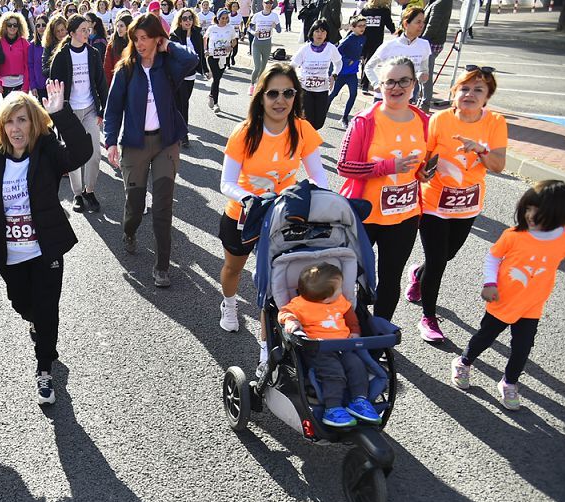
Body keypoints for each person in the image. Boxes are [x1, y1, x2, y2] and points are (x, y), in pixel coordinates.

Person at [0, 82, 92, 403]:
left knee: (47, 308)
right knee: (23, 305)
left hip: (46, 250)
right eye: (9, 121)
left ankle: (45, 369)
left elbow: (81, 153)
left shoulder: (47, 150)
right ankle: (37, 324)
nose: (15, 128)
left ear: (33, 122)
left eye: (22, 120)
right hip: (10, 255)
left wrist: (60, 113)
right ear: (2, 126)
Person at [217, 63, 327, 340]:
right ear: (261, 96)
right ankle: (229, 305)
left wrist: (307, 196)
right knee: (233, 268)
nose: (281, 101)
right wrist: (249, 198)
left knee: (276, 282)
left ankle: (269, 345)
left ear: (296, 96)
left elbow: (319, 176)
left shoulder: (302, 130)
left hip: (282, 216)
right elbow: (226, 182)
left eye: (288, 93)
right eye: (273, 94)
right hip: (243, 216)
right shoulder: (244, 132)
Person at [408, 66, 507, 342]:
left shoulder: (495, 122)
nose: (470, 94)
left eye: (478, 90)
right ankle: (428, 317)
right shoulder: (439, 119)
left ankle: (418, 273)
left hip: (468, 204)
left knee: (446, 256)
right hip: (433, 200)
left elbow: (499, 165)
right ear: (454, 93)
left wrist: (480, 149)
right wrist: (421, 171)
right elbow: (424, 156)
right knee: (438, 261)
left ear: (487, 97)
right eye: (464, 88)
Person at [451, 180, 565, 411]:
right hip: (502, 299)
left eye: (539, 211)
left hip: (532, 305)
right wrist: (489, 283)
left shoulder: (564, 237)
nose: (530, 215)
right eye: (528, 208)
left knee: (522, 348)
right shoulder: (514, 235)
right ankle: (464, 362)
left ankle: (509, 382)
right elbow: (493, 257)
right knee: (485, 337)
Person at [103, 13, 198, 288]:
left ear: (158, 38)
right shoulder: (126, 69)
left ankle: (162, 265)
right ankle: (129, 232)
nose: (140, 43)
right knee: (135, 205)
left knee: (163, 206)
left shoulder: (168, 64)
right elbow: (113, 110)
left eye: (145, 38)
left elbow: (192, 60)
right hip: (134, 144)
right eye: (136, 38)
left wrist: (168, 45)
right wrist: (110, 142)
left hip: (166, 143)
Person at [338, 56, 428, 322]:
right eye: (390, 81)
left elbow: (421, 163)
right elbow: (344, 166)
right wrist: (386, 167)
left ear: (413, 84)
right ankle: (353, 329)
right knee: (353, 278)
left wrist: (423, 171)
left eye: (403, 81)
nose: (396, 87)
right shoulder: (365, 121)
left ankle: (381, 334)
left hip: (405, 215)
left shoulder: (423, 120)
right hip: (365, 214)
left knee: (391, 278)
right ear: (380, 85)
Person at [278, 263, 381, 426]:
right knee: (334, 373)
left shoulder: (339, 300)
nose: (342, 292)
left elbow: (350, 315)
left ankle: (359, 401)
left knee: (357, 367)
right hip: (319, 349)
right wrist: (291, 321)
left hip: (344, 346)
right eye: (339, 289)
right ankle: (332, 408)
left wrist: (354, 331)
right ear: (326, 298)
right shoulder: (300, 304)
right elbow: (284, 312)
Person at [48, 14, 107, 212]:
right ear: (72, 32)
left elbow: (101, 82)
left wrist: (102, 109)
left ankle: (90, 191)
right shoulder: (61, 56)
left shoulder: (93, 54)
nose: (87, 32)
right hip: (70, 113)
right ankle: (78, 194)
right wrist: (59, 115)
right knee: (73, 154)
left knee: (95, 154)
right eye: (82, 29)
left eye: (88, 29)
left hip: (90, 109)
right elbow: (54, 89)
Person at [364, 6, 430, 102]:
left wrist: (422, 75)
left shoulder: (424, 45)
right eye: (418, 22)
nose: (422, 25)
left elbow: (423, 71)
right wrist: (376, 84)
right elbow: (369, 67)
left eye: (423, 22)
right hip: (384, 98)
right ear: (406, 24)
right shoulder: (389, 46)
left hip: (407, 98)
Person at [291, 18, 341, 130]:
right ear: (312, 32)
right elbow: (292, 66)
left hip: (322, 90)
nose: (320, 34)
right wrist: (295, 81)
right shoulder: (305, 49)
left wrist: (334, 75)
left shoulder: (331, 48)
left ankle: (309, 138)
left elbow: (338, 63)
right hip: (306, 90)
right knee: (307, 121)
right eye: (317, 31)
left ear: (327, 34)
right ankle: (307, 142)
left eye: (323, 31)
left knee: (319, 122)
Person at [169, 7, 206, 148]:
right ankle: (183, 135)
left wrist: (205, 69)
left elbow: (201, 54)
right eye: (184, 18)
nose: (188, 21)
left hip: (191, 76)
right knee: (181, 104)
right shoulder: (175, 35)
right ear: (180, 21)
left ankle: (178, 130)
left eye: (190, 18)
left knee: (182, 103)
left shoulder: (197, 34)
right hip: (178, 76)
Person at [327, 14, 366, 127]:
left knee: (353, 94)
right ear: (353, 27)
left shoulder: (363, 38)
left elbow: (358, 50)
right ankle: (322, 111)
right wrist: (347, 60)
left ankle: (344, 118)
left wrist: (360, 57)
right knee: (333, 94)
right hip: (342, 73)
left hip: (352, 74)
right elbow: (337, 51)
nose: (362, 28)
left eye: (364, 25)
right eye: (359, 26)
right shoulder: (349, 39)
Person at [420, 0, 452, 112]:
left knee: (425, 72)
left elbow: (433, 24)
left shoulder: (441, 3)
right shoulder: (435, 2)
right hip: (431, 41)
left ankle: (425, 103)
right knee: (422, 71)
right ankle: (422, 100)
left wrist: (422, 41)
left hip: (431, 42)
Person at [359, 0, 394, 93]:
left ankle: (364, 83)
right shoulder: (384, 11)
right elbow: (389, 23)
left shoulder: (366, 9)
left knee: (365, 60)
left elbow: (359, 21)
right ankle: (364, 85)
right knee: (369, 61)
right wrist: (395, 31)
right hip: (376, 40)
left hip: (364, 38)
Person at [248, 0, 281, 95]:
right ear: (263, 4)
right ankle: (252, 85)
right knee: (257, 67)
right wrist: (254, 33)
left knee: (263, 68)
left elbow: (279, 30)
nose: (268, 5)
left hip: (267, 44)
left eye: (270, 3)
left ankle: (259, 86)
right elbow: (249, 28)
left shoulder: (274, 16)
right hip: (257, 44)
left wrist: (275, 26)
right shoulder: (257, 15)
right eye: (266, 3)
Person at [0, 11, 32, 96]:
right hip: (5, 85)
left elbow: (27, 65)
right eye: (9, 25)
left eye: (15, 25)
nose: (12, 27)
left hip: (21, 84)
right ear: (5, 26)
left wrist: (26, 86)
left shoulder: (24, 43)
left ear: (19, 27)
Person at [205, 9, 234, 112]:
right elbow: (205, 38)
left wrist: (230, 46)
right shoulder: (212, 28)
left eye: (226, 18)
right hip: (212, 56)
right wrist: (205, 50)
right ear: (218, 18)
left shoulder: (230, 28)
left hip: (224, 57)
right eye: (222, 18)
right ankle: (216, 103)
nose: (224, 20)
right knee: (216, 79)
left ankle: (211, 95)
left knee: (217, 78)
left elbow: (234, 40)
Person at [104, 13, 132, 85]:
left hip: (132, 82)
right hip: (117, 82)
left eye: (121, 26)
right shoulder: (112, 44)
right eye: (117, 26)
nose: (118, 29)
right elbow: (107, 68)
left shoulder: (134, 43)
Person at [41, 14, 69, 80]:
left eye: (62, 30)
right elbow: (44, 70)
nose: (60, 33)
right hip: (56, 82)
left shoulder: (73, 42)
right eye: (57, 31)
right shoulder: (49, 46)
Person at [28, 13, 48, 100]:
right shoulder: (32, 45)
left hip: (53, 85)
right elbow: (30, 66)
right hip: (39, 85)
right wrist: (33, 85)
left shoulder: (53, 43)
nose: (41, 27)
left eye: (43, 25)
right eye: (38, 25)